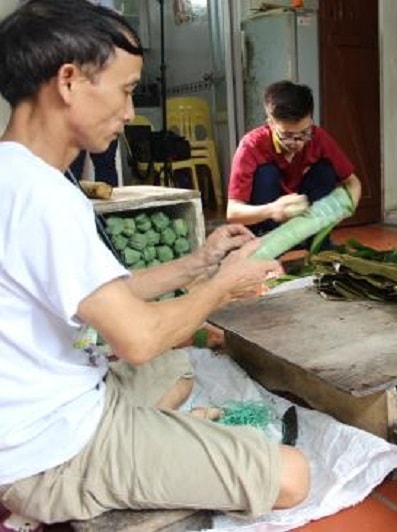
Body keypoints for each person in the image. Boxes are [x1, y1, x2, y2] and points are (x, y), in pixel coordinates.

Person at [0, 0, 309, 527]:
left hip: (69, 400)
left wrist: (201, 261)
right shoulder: (40, 197)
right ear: (68, 80)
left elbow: (110, 292)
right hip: (50, 454)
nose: (128, 112)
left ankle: (157, 448)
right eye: (123, 91)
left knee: (177, 367)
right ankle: (107, 489)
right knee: (292, 475)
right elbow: (137, 337)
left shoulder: (24, 176)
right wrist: (224, 285)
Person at [226, 80, 362, 239]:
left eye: (304, 133)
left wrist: (346, 207)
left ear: (310, 120)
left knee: (325, 170)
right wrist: (272, 209)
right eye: (288, 136)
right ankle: (265, 246)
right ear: (270, 123)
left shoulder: (318, 138)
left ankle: (319, 242)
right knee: (266, 173)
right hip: (267, 221)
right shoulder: (251, 146)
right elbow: (233, 212)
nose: (297, 143)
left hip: (303, 217)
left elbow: (353, 182)